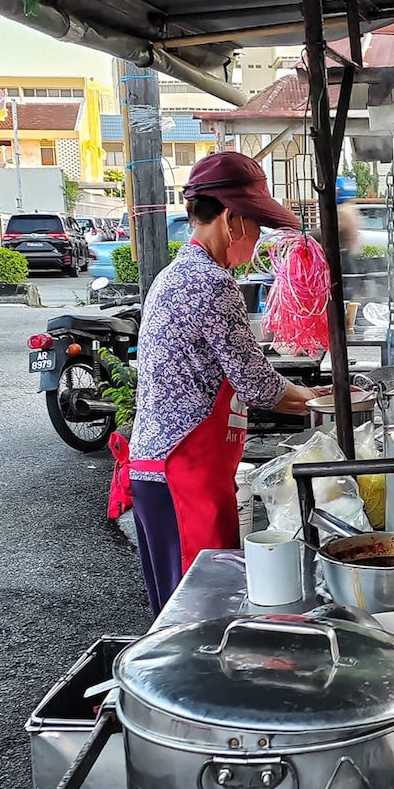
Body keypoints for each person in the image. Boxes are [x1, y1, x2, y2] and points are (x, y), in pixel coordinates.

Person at [124, 151, 319, 612]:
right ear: (232, 220)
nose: (257, 241)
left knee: (177, 610)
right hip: (181, 469)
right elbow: (258, 386)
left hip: (165, 467)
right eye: (256, 228)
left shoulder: (176, 274)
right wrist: (318, 400)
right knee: (198, 612)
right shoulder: (211, 282)